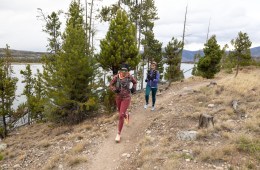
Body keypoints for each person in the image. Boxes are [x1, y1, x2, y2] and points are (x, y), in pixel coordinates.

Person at [109, 64, 137, 143]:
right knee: (121, 113)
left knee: (120, 115)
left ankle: (118, 134)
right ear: (120, 70)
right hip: (118, 98)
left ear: (127, 71)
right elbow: (110, 85)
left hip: (126, 98)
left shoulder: (129, 77)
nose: (123, 72)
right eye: (122, 70)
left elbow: (135, 82)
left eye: (125, 70)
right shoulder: (116, 77)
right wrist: (114, 89)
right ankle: (126, 115)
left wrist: (133, 88)